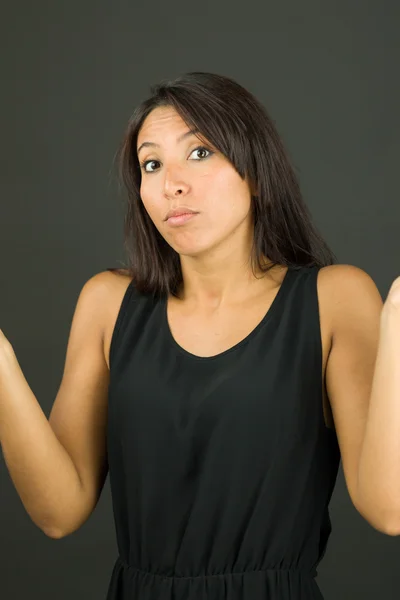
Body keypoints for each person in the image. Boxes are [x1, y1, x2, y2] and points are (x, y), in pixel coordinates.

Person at [0, 72, 399, 600]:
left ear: (256, 173)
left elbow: (388, 506)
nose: (172, 184)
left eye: (200, 153)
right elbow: (58, 513)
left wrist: (395, 321)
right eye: (151, 163)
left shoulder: (335, 298)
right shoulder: (107, 302)